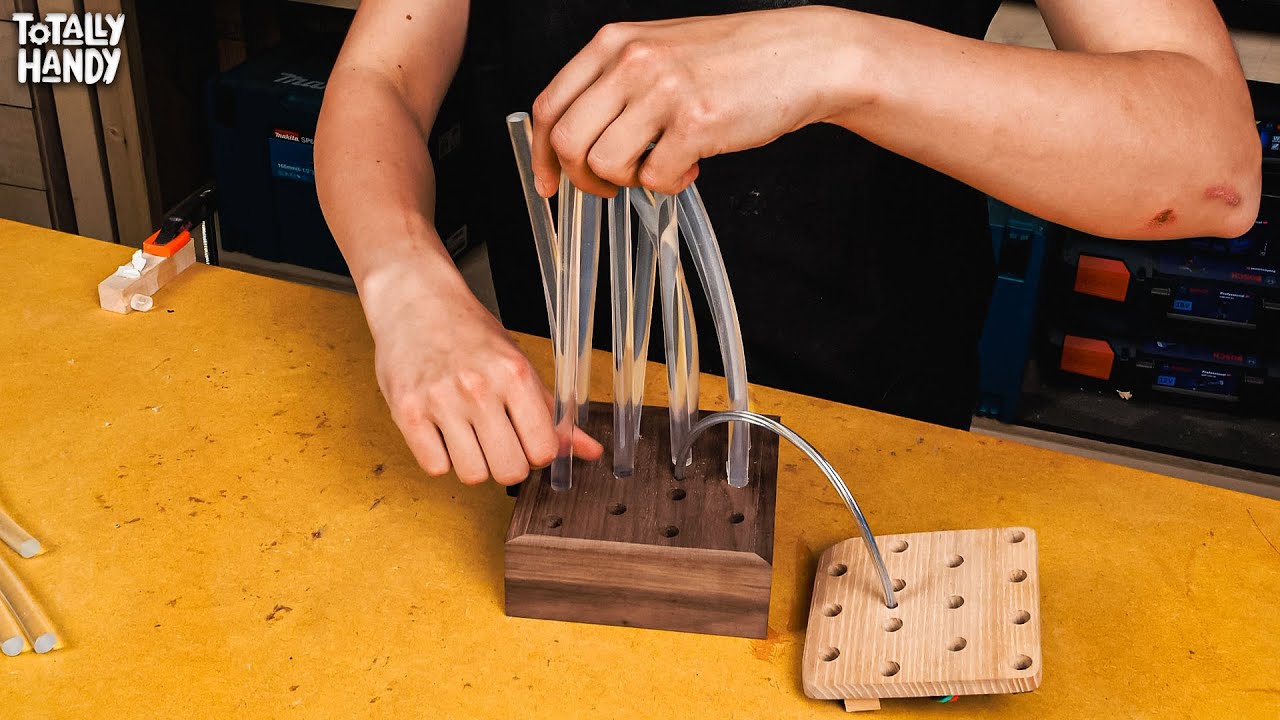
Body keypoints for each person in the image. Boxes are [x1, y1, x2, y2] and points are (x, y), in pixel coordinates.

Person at [315, 1, 1261, 487]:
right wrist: (406, 281)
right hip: (555, 428)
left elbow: (1210, 166)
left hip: (876, 456)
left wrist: (837, 60)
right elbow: (380, 77)